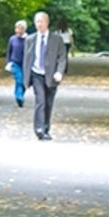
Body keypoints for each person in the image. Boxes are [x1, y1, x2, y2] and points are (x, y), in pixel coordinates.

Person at [29, 10, 71, 140]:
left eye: (41, 22)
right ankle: (39, 129)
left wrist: (59, 72)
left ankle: (46, 128)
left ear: (47, 23)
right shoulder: (30, 39)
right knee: (40, 100)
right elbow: (26, 58)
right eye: (37, 22)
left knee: (48, 102)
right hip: (36, 74)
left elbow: (62, 57)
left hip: (51, 75)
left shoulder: (56, 40)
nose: (39, 24)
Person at [8, 20, 29, 110]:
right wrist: (8, 62)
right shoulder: (12, 39)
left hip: (26, 64)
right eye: (17, 28)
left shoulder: (29, 39)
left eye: (20, 28)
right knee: (19, 79)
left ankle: (20, 94)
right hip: (15, 63)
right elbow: (9, 51)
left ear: (24, 29)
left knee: (25, 82)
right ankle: (19, 97)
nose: (18, 30)